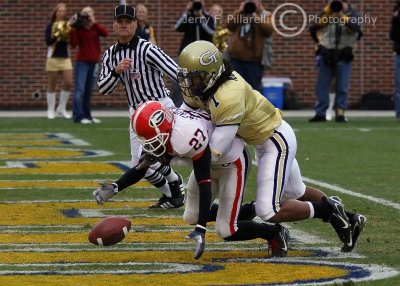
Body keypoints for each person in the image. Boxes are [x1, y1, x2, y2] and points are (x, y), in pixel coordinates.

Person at [177, 40, 366, 253]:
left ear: (210, 74)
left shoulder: (229, 93)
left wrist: (173, 154)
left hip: (274, 141)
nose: (189, 84)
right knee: (298, 191)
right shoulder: (203, 86)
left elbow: (213, 151)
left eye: (194, 78)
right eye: (187, 77)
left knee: (269, 211)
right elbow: (187, 116)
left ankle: (329, 209)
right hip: (263, 137)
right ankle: (351, 218)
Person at [93, 101, 289, 259]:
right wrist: (116, 186)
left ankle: (273, 233)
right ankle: (249, 210)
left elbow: (204, 184)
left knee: (227, 231)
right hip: (208, 162)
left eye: (151, 137)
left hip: (231, 163)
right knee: (191, 216)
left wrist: (201, 229)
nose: (149, 143)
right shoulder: (163, 133)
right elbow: (142, 167)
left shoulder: (185, 137)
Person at [98, 5, 184, 209]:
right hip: (136, 114)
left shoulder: (147, 48)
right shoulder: (110, 54)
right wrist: (117, 72)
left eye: (128, 21)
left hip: (158, 108)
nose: (124, 25)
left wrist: (188, 102)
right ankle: (174, 188)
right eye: (120, 22)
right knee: (140, 164)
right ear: (114, 25)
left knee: (151, 161)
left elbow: (176, 73)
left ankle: (177, 189)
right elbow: (103, 88)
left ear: (136, 24)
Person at [309, 0, 362, 122]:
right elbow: (314, 27)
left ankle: (340, 113)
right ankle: (320, 113)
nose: (336, 5)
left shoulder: (353, 14)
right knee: (322, 86)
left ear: (346, 3)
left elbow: (355, 28)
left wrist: (341, 17)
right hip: (327, 53)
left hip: (344, 54)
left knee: (342, 86)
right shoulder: (327, 13)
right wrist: (327, 12)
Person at [70, 7, 108, 124]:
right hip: (82, 63)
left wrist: (94, 22)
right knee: (80, 89)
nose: (87, 17)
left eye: (89, 15)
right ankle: (78, 116)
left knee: (88, 90)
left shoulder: (95, 28)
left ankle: (88, 116)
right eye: (85, 15)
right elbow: (73, 44)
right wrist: (72, 27)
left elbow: (105, 33)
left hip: (94, 63)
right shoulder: (78, 29)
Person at [226, 0, 273, 91]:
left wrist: (256, 18)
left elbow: (269, 31)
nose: (252, 3)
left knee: (253, 90)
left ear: (260, 3)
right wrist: (239, 11)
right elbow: (228, 25)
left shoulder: (266, 15)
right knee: (235, 89)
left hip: (254, 62)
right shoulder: (240, 13)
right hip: (236, 60)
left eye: (254, 1)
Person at [44, 3, 73, 119]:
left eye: (63, 11)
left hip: (65, 58)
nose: (61, 13)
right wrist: (57, 34)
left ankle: (61, 108)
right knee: (52, 84)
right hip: (53, 59)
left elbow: (71, 41)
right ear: (55, 12)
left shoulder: (67, 25)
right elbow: (48, 42)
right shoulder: (50, 26)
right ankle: (50, 109)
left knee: (68, 82)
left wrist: (67, 32)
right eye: (59, 11)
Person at [390, 3, 400, 121]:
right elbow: (393, 36)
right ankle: (399, 112)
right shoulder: (396, 21)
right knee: (399, 86)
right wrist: (395, 20)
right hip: (399, 54)